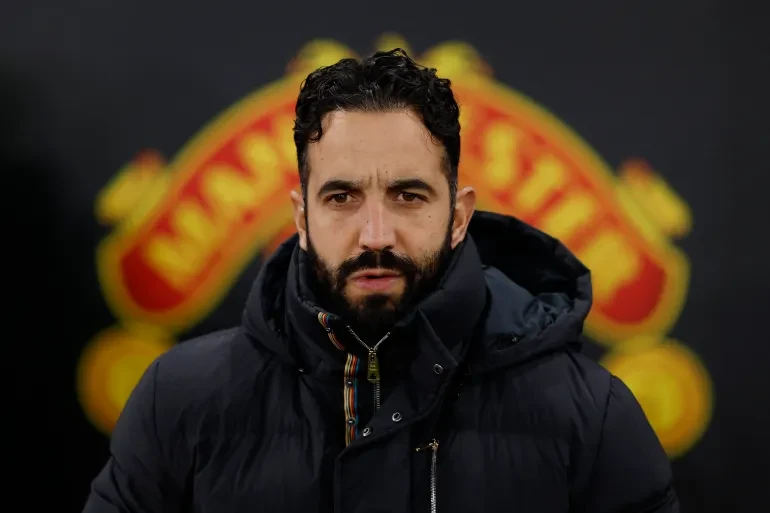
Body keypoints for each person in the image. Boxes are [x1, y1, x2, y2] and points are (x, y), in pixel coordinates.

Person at [83, 48, 678, 513]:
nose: (375, 235)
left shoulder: (591, 415)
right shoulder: (179, 402)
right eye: (341, 197)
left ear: (459, 217)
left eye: (407, 195)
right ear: (302, 218)